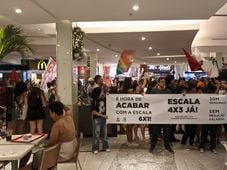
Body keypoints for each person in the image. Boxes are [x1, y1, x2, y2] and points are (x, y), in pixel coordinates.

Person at [147, 77, 174, 153]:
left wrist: (183, 95)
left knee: (166, 132)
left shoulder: (168, 91)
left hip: (165, 114)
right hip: (157, 114)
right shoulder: (153, 91)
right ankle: (153, 145)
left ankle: (167, 146)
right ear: (158, 82)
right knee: (155, 131)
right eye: (161, 81)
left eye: (164, 81)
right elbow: (149, 100)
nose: (163, 83)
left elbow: (175, 99)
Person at [91, 86, 110, 154]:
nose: (102, 92)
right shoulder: (94, 101)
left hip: (104, 118)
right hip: (97, 119)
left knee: (104, 133)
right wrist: (103, 115)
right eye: (101, 91)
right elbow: (93, 111)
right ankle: (95, 148)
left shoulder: (103, 99)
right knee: (96, 133)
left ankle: (106, 147)